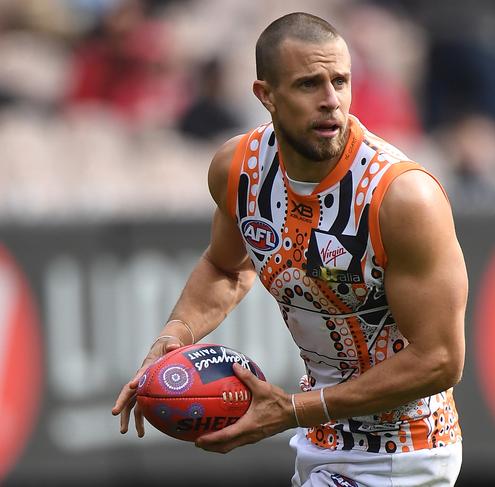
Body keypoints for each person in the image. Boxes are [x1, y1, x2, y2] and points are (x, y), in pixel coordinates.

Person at [112, 12, 467, 486]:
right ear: (266, 95)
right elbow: (225, 267)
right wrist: (175, 334)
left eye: (340, 81)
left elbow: (440, 359)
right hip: (318, 441)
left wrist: (295, 411)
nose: (331, 102)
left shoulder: (402, 197)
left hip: (407, 453)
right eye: (308, 85)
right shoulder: (239, 168)